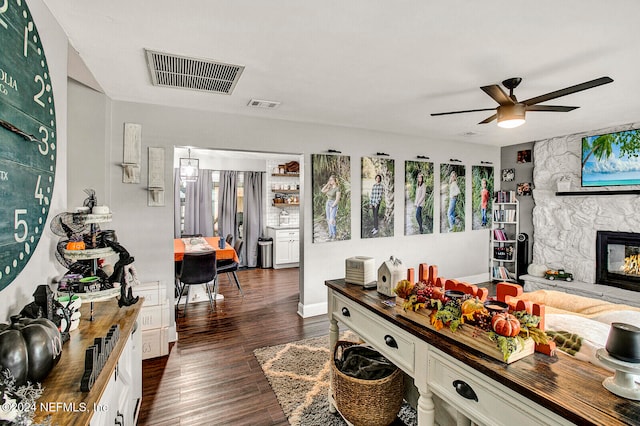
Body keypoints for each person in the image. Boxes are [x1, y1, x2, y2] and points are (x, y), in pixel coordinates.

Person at [320, 174, 341, 240]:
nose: (330, 181)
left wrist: (333, 206)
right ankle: (330, 234)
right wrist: (327, 184)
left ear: (335, 180)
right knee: (328, 219)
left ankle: (334, 234)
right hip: (328, 203)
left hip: (333, 204)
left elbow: (337, 199)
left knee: (332, 220)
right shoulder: (330, 187)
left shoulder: (337, 188)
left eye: (331, 180)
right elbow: (322, 191)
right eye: (329, 180)